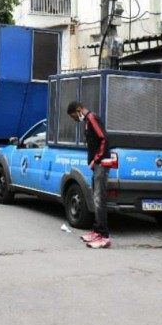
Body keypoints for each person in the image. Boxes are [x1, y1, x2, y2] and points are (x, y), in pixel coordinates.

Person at [66, 100, 112, 249]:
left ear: (79, 109)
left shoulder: (92, 118)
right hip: (97, 165)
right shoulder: (87, 121)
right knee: (96, 197)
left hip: (101, 164)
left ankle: (103, 236)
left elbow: (104, 139)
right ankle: (97, 230)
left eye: (73, 116)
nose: (74, 119)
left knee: (99, 199)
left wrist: (95, 160)